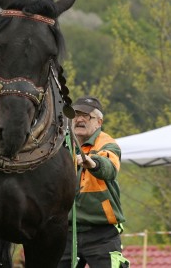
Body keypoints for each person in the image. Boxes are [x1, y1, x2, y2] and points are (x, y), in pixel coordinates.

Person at [58, 96, 129, 268]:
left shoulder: (108, 143)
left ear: (99, 122)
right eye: (76, 115)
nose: (80, 119)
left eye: (86, 116)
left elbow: (109, 167)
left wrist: (93, 162)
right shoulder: (60, 143)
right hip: (65, 232)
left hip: (102, 233)